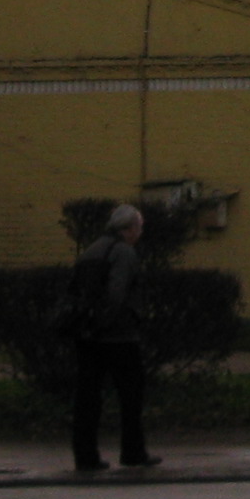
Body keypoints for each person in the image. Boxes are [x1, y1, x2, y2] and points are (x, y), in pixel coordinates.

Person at [67, 202, 159, 472]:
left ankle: (85, 456)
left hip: (86, 336)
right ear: (129, 228)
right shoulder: (124, 253)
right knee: (131, 396)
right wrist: (106, 323)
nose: (140, 232)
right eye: (139, 227)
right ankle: (133, 452)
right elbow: (117, 294)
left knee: (87, 398)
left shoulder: (92, 250)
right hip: (118, 337)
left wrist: (89, 326)